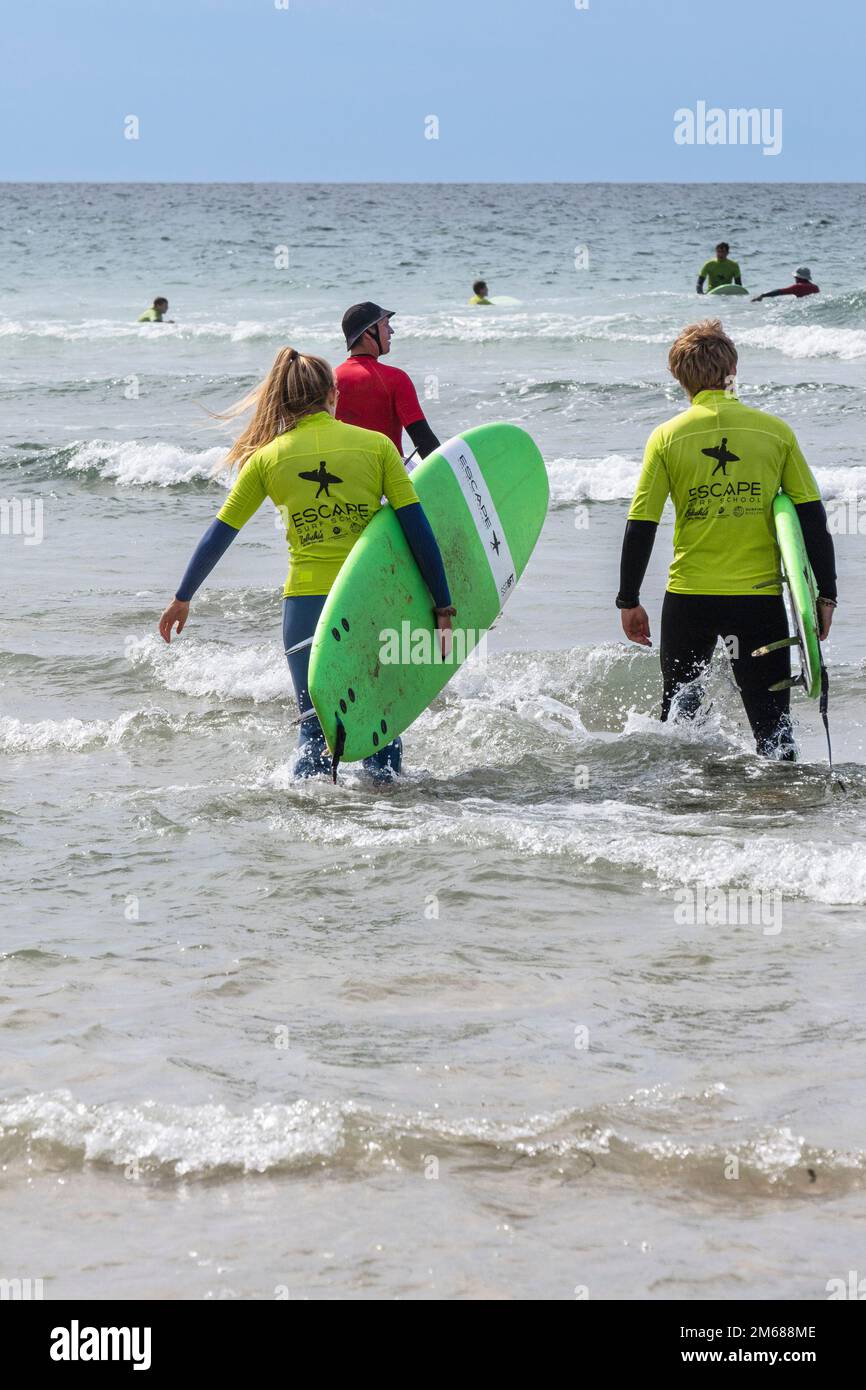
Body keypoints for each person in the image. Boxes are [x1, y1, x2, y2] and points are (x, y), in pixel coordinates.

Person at [158, 348, 454, 781]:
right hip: (369, 597)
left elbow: (220, 534)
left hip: (306, 605)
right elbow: (417, 530)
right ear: (335, 394)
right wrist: (443, 606)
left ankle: (306, 821)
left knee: (314, 727)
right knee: (379, 722)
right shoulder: (376, 447)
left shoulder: (268, 458)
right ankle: (390, 815)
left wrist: (182, 596)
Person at [616, 319, 837, 759]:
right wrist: (825, 595)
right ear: (733, 368)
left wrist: (628, 599)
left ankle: (685, 814)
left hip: (689, 598)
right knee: (774, 731)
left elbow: (642, 522)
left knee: (679, 726)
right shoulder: (774, 432)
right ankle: (780, 813)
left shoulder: (666, 437)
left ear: (679, 377)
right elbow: (812, 517)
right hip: (757, 601)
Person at [334, 302, 440, 460]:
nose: (391, 331)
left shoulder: (329, 379)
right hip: (388, 476)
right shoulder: (396, 379)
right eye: (385, 325)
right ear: (369, 331)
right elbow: (424, 441)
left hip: (344, 477)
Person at [752, 267, 820, 303]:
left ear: (797, 277)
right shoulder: (815, 287)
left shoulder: (798, 286)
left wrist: (762, 295)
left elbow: (779, 292)